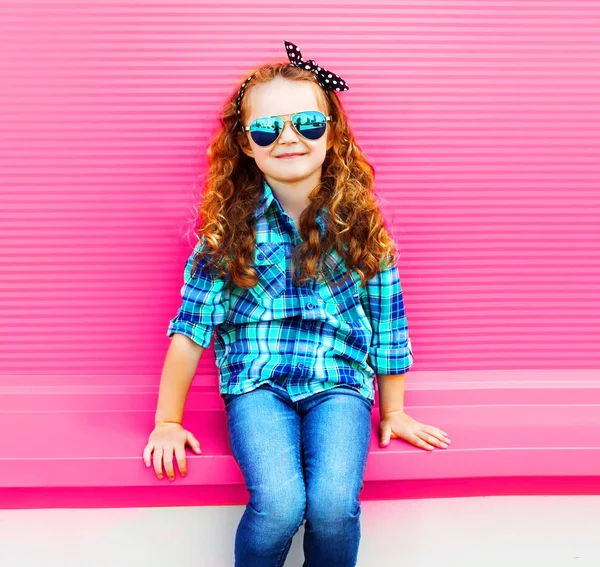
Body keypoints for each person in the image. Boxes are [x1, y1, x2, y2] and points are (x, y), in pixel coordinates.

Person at [143, 40, 451, 567]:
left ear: (330, 130)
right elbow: (191, 329)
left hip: (340, 383)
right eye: (267, 128)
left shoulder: (362, 224)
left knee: (334, 506)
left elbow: (388, 319)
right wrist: (167, 420)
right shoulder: (225, 233)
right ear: (246, 144)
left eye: (306, 122)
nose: (288, 138)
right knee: (280, 505)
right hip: (257, 384)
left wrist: (394, 409)